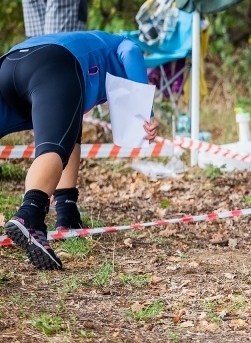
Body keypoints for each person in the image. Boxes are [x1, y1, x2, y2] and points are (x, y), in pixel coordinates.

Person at [0, 31, 158, 270]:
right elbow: (131, 52)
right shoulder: (120, 43)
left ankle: (67, 212)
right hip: (53, 65)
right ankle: (29, 216)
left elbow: (71, 131)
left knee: (66, 133)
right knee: (52, 148)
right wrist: (146, 111)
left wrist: (66, 211)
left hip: (9, 64)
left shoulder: (87, 40)